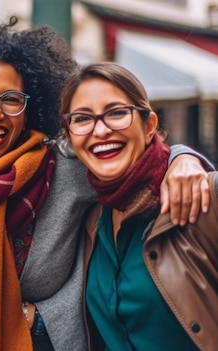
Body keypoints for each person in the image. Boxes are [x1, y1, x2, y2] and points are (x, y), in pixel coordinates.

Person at [0, 14, 211, 351]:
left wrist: (181, 158)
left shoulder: (64, 172)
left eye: (11, 99)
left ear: (27, 112)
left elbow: (128, 158)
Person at [59, 61, 218, 351]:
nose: (100, 130)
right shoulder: (93, 221)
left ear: (149, 127)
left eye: (117, 113)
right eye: (82, 119)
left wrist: (184, 156)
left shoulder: (206, 196)